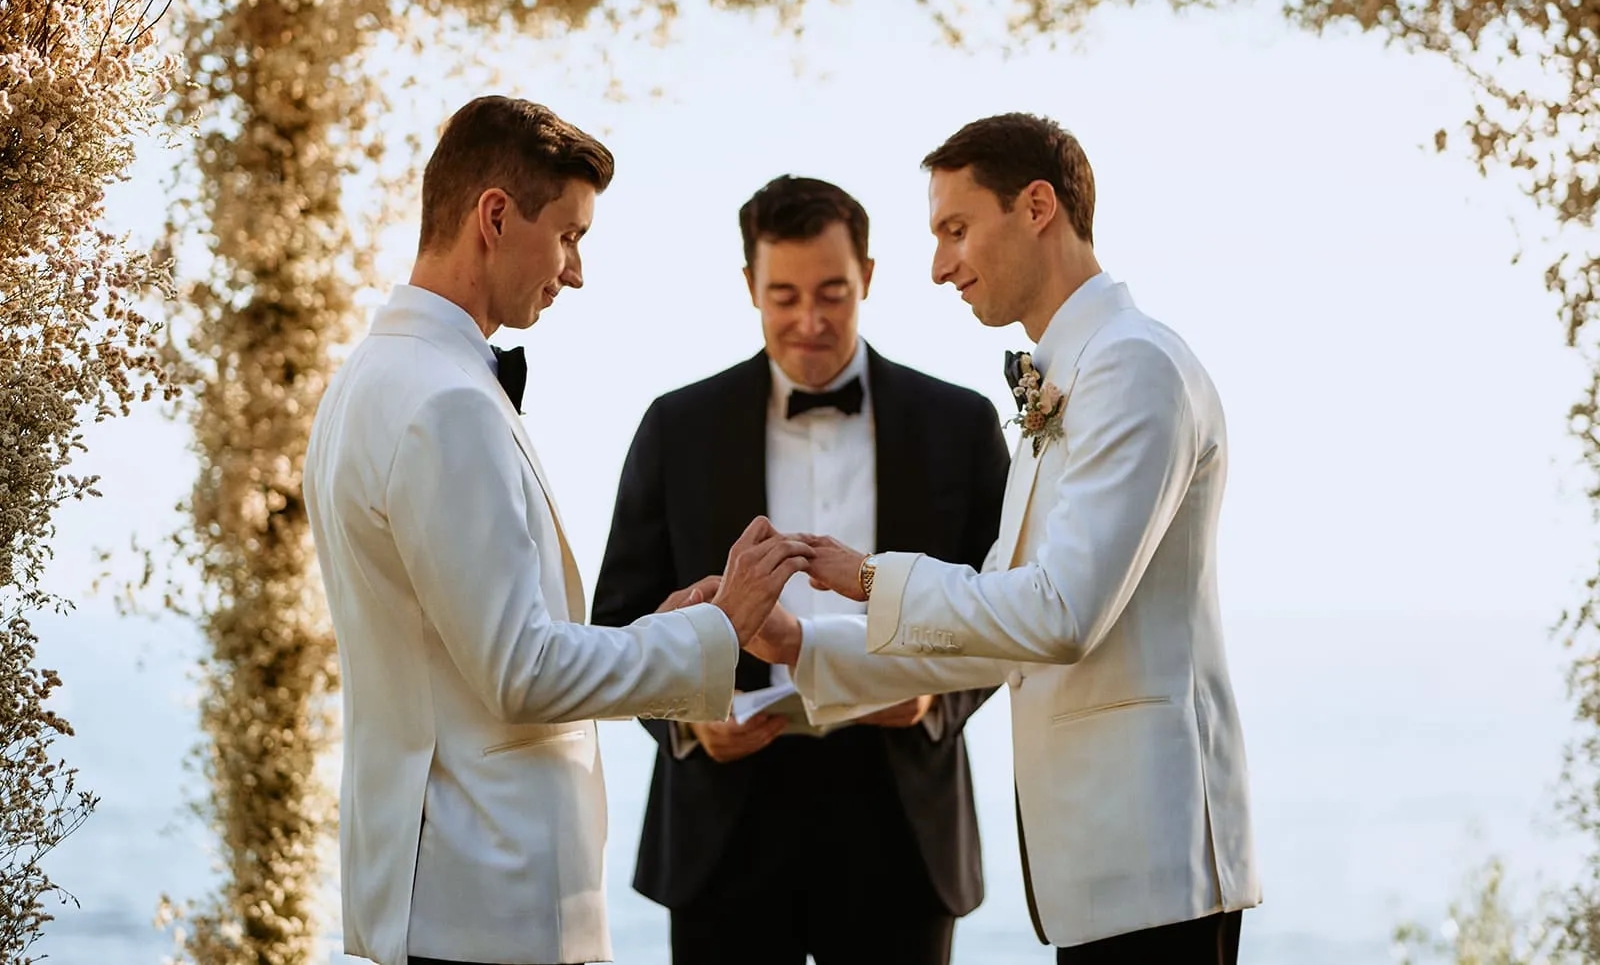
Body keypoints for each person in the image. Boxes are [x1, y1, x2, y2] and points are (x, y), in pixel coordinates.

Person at [303, 95, 807, 965]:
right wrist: (716, 631)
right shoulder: (448, 403)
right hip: (492, 902)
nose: (575, 272)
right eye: (570, 235)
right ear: (495, 216)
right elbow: (521, 673)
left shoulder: (371, 378)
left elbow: (479, 646)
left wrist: (671, 625)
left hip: (441, 895)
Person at [750, 115, 1262, 964]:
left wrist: (869, 577)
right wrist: (804, 644)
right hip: (1100, 872)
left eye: (956, 229)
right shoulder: (1063, 377)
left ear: (1036, 206)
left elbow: (1060, 613)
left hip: (1155, 858)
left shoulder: (1133, 366)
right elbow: (990, 631)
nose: (941, 265)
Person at [591, 175, 1009, 965]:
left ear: (870, 278)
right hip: (724, 831)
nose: (809, 322)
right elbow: (622, 614)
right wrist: (686, 720)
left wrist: (934, 698)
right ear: (749, 284)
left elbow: (1003, 604)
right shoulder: (676, 426)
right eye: (783, 295)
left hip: (902, 826)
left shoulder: (961, 423)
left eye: (833, 293)